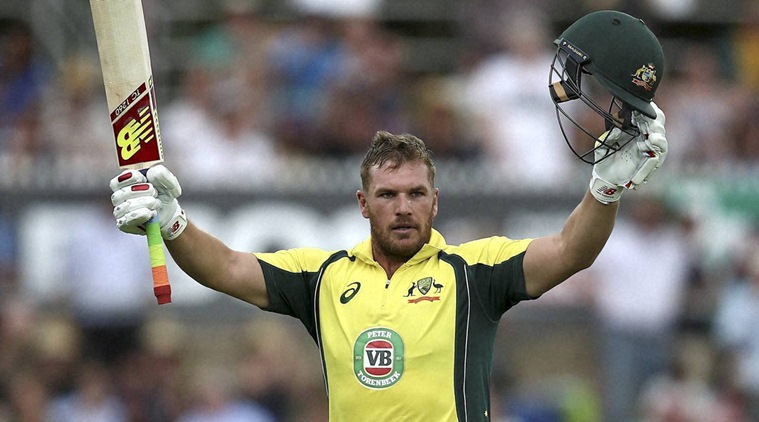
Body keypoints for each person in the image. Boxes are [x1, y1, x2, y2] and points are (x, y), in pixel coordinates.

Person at [108, 10, 668, 421]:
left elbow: (572, 251)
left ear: (435, 201)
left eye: (416, 194)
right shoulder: (323, 276)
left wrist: (605, 190)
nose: (403, 207)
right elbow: (227, 267)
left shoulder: (474, 272)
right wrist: (174, 220)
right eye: (388, 195)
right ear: (363, 204)